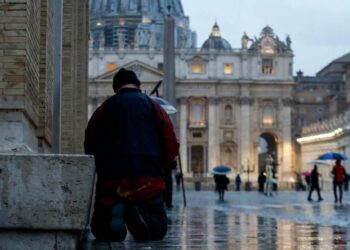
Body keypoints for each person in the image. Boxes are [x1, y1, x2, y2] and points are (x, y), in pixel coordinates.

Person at [84, 68, 179, 242]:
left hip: (112, 183)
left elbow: (89, 143)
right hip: (147, 181)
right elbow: (171, 143)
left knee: (102, 231)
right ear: (138, 85)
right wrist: (158, 167)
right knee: (158, 230)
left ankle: (116, 219)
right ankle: (141, 217)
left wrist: (103, 167)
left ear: (115, 87)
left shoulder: (104, 108)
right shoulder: (154, 107)